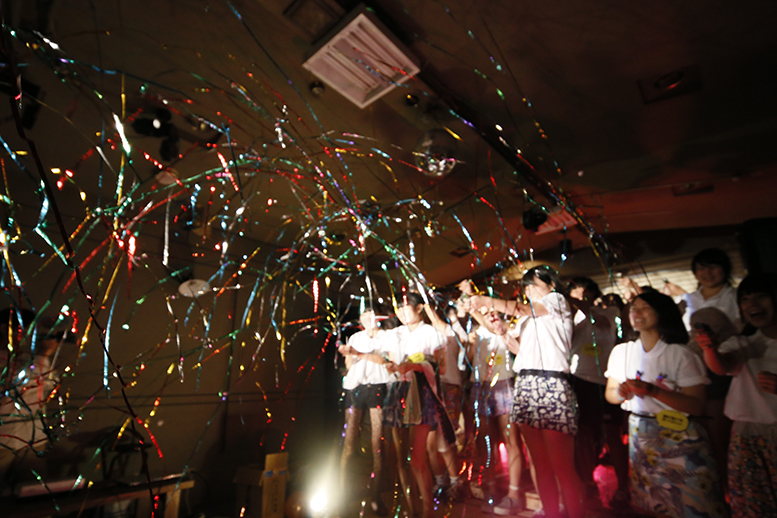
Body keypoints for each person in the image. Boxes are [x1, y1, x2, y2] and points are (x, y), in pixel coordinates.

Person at [464, 265, 584, 518]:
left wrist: (486, 301)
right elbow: (519, 350)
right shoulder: (527, 317)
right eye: (526, 286)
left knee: (562, 465)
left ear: (552, 285)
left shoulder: (556, 301)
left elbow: (520, 308)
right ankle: (551, 512)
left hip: (551, 383)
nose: (529, 290)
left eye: (534, 284)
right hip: (526, 382)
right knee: (540, 463)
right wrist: (502, 331)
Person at [604, 292, 727, 518]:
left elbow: (696, 405)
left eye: (645, 307)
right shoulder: (623, 352)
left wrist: (653, 391)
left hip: (681, 434)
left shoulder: (680, 353)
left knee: (694, 503)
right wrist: (621, 392)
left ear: (662, 313)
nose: (637, 312)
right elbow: (610, 395)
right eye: (634, 308)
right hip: (641, 434)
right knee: (652, 503)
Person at [698, 273, 777, 517]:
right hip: (747, 436)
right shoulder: (744, 343)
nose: (752, 304)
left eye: (761, 296)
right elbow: (722, 366)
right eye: (745, 299)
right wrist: (709, 348)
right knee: (754, 503)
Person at [382, 292, 446, 518]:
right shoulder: (395, 333)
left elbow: (441, 367)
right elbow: (392, 362)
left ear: (419, 308)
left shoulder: (430, 332)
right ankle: (411, 507)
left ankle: (427, 508)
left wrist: (417, 366)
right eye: (398, 308)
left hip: (421, 392)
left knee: (417, 457)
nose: (401, 312)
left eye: (406, 307)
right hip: (399, 391)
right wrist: (392, 367)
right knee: (402, 458)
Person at [567, 277, 629, 508]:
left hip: (606, 381)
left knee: (612, 434)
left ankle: (623, 487)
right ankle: (587, 481)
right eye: (574, 290)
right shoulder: (569, 316)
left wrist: (574, 301)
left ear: (594, 292)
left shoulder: (610, 312)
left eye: (584, 290)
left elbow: (600, 322)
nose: (579, 294)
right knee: (582, 434)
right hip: (579, 380)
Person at [466, 308, 525, 515]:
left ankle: (514, 494)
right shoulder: (475, 332)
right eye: (482, 311)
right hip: (480, 387)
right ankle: (491, 491)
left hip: (504, 384)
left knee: (511, 440)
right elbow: (467, 360)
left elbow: (514, 344)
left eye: (490, 309)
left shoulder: (507, 327)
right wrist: (471, 344)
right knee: (485, 442)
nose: (487, 314)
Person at [338, 308, 393, 515]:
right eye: (364, 316)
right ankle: (342, 496)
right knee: (349, 442)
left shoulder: (386, 336)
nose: (368, 319)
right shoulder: (355, 337)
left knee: (377, 444)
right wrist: (347, 353)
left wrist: (357, 353)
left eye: (372, 315)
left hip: (377, 388)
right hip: (355, 389)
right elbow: (349, 365)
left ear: (378, 318)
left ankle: (376, 497)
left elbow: (385, 361)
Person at [422, 303, 465, 501]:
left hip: (448, 387)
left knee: (446, 439)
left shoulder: (448, 332)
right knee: (431, 442)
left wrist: (424, 302)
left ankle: (456, 483)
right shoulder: (425, 335)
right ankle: (440, 482)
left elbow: (436, 321)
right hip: (430, 389)